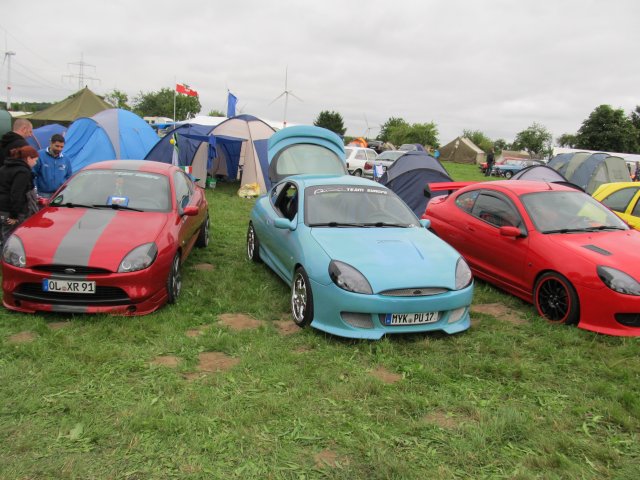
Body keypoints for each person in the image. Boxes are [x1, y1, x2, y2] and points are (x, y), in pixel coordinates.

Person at [0, 145, 40, 246]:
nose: (35, 164)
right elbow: (16, 193)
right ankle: (11, 260)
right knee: (13, 239)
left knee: (5, 235)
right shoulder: (23, 171)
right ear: (28, 158)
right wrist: (14, 215)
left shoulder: (4, 168)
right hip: (12, 211)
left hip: (2, 208)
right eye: (35, 160)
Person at [33, 134, 71, 198]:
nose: (59, 149)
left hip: (59, 194)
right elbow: (33, 174)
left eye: (61, 147)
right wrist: (35, 189)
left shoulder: (66, 159)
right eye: (57, 146)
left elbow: (68, 176)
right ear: (51, 143)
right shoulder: (40, 155)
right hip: (43, 194)